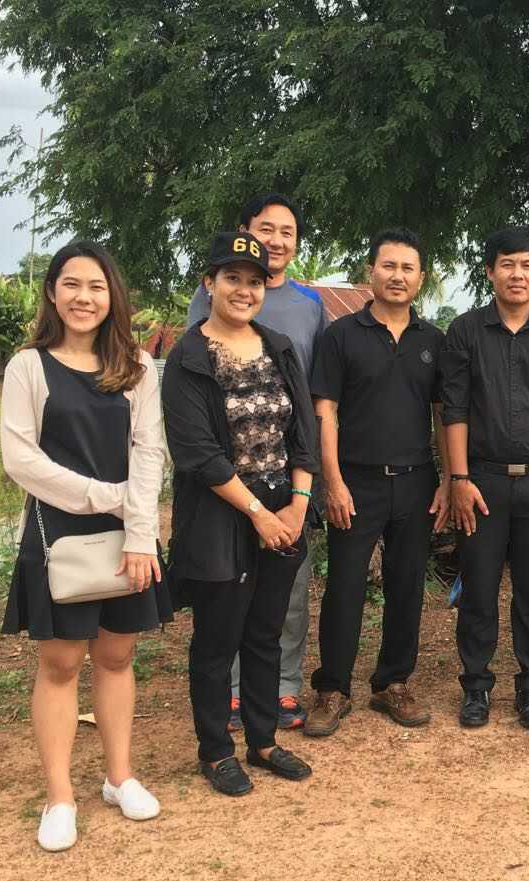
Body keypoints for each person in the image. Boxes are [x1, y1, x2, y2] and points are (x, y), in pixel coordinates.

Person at [0, 240, 171, 852]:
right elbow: (21, 459)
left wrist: (141, 531)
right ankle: (59, 797)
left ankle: (119, 777)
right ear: (52, 293)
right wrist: (106, 497)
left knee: (118, 656)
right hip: (59, 534)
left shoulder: (137, 367)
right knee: (61, 663)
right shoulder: (28, 367)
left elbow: (149, 451)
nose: (83, 297)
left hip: (129, 536)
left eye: (96, 286)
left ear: (111, 296)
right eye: (71, 284)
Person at [163, 231, 318, 796]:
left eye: (254, 281)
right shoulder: (188, 357)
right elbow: (197, 452)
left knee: (265, 632)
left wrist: (298, 505)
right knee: (217, 638)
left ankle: (263, 740)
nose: (244, 290)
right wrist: (259, 514)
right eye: (232, 278)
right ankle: (215, 750)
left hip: (282, 508)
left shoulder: (280, 346)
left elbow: (304, 431)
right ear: (209, 283)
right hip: (220, 514)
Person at [187, 193, 325, 733]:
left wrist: (304, 493)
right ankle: (231, 696)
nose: (276, 239)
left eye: (287, 231)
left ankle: (280, 691)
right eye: (266, 228)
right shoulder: (208, 307)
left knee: (285, 596)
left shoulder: (308, 307)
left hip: (287, 476)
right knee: (227, 598)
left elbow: (312, 403)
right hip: (223, 482)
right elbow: (197, 399)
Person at [305, 228, 451, 736]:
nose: (397, 276)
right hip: (356, 482)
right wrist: (332, 481)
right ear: (371, 271)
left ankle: (393, 682)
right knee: (345, 586)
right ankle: (332, 688)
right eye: (389, 266)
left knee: (407, 586)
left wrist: (446, 480)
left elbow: (441, 415)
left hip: (416, 482)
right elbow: (326, 412)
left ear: (420, 278)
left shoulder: (433, 341)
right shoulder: (341, 336)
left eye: (408, 268)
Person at [441, 226, 529, 730]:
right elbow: (454, 410)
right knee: (479, 588)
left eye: (527, 265)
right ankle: (476, 687)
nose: (517, 274)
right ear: (490, 272)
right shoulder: (465, 332)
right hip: (481, 482)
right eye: (507, 264)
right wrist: (458, 478)